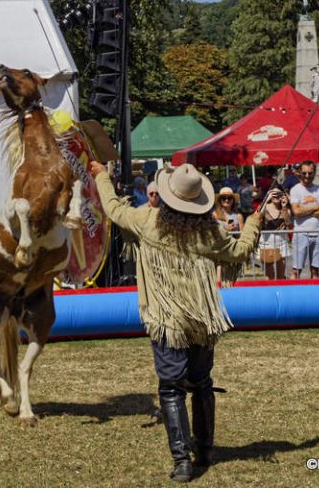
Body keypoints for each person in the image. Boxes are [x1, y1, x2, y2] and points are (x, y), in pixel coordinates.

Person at [89, 160, 263, 483]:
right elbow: (239, 251)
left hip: (168, 321)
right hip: (201, 321)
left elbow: (113, 209)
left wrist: (101, 174)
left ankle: (182, 460)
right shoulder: (211, 232)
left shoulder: (149, 220)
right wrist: (254, 222)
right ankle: (206, 449)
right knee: (202, 384)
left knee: (171, 389)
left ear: (168, 198)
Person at [289, 160, 319, 279]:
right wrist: (316, 207)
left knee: (315, 270)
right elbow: (296, 212)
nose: (307, 176)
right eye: (304, 173)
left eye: (310, 173)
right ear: (299, 172)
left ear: (314, 173)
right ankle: (293, 294)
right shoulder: (295, 189)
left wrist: (305, 210)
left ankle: (315, 295)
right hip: (301, 233)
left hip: (318, 233)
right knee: (296, 269)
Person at [212, 187, 246, 286]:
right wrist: (226, 230)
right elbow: (213, 232)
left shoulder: (238, 216)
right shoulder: (214, 215)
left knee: (232, 272)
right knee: (219, 268)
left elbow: (242, 233)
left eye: (229, 198)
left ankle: (231, 293)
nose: (226, 200)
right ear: (219, 200)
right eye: (224, 198)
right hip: (220, 247)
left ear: (233, 200)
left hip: (233, 247)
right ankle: (219, 292)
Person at [258, 183, 291, 280]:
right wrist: (266, 200)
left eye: (279, 194)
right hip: (266, 242)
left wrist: (284, 206)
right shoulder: (265, 206)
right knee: (269, 275)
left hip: (281, 242)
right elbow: (258, 215)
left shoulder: (285, 208)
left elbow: (288, 222)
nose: (276, 196)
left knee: (281, 274)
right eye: (274, 194)